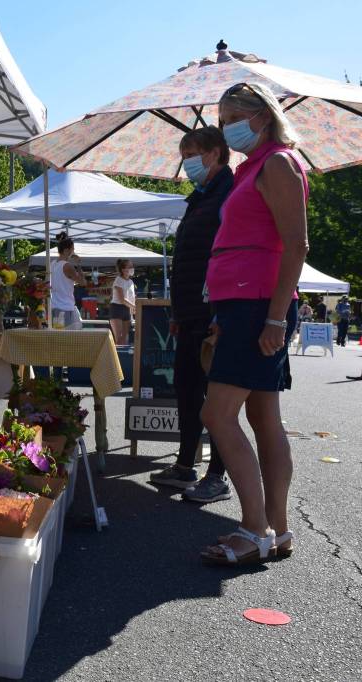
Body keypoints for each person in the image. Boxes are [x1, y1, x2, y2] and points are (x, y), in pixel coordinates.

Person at [199, 82, 309, 565]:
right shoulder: (253, 168)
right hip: (242, 305)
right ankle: (277, 531)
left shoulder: (279, 163)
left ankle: (254, 527)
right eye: (222, 121)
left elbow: (297, 244)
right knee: (263, 418)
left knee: (216, 414)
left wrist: (274, 318)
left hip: (258, 304)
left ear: (262, 115)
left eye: (231, 118)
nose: (226, 128)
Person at [150, 126, 233, 502]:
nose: (186, 163)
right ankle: (186, 464)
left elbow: (224, 257)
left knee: (216, 398)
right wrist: (178, 311)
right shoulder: (200, 198)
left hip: (214, 311)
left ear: (215, 153)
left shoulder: (229, 194)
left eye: (191, 154)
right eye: (183, 155)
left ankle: (217, 474)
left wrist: (218, 311)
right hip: (189, 312)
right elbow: (188, 259)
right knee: (186, 389)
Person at [49, 232, 86, 330]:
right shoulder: (67, 266)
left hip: (54, 307)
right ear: (66, 250)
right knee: (67, 340)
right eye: (72, 249)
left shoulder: (52, 264)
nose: (73, 252)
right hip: (65, 308)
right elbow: (83, 282)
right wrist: (78, 264)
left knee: (58, 339)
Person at [109, 258, 136, 344]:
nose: (132, 268)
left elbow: (132, 298)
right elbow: (122, 299)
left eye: (132, 266)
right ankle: (116, 357)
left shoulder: (131, 282)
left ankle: (122, 357)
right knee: (119, 339)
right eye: (130, 266)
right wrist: (134, 306)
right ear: (123, 269)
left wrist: (133, 310)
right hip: (117, 308)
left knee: (125, 338)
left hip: (127, 309)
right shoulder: (118, 280)